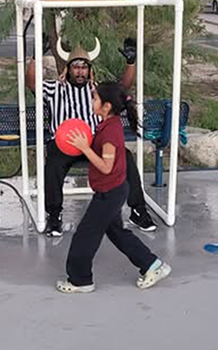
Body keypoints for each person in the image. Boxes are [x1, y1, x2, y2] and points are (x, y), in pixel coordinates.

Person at [25, 36, 156, 237]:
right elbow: (32, 83)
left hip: (93, 144)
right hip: (63, 144)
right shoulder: (55, 88)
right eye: (75, 67)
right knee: (52, 166)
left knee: (126, 158)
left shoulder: (98, 91)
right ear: (68, 69)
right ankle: (54, 215)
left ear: (89, 70)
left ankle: (138, 210)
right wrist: (35, 58)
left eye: (83, 67)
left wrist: (131, 62)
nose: (79, 71)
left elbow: (123, 88)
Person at [55, 81, 172, 293]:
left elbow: (106, 167)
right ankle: (153, 265)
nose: (92, 102)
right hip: (111, 190)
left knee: (84, 235)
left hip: (110, 193)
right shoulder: (108, 125)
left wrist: (84, 148)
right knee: (118, 233)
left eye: (95, 98)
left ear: (106, 106)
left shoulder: (110, 131)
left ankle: (80, 280)